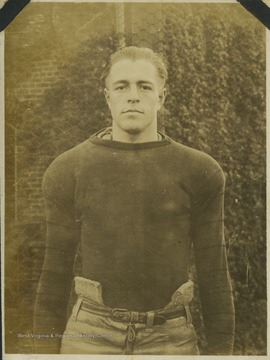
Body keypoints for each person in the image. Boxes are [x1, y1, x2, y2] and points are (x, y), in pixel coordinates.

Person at [33, 46, 235, 355]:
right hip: (90, 339)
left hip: (170, 340)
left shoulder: (200, 170)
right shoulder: (68, 168)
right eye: (122, 86)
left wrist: (223, 353)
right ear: (107, 97)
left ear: (161, 97)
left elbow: (214, 274)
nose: (133, 96)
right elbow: (54, 275)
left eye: (144, 86)